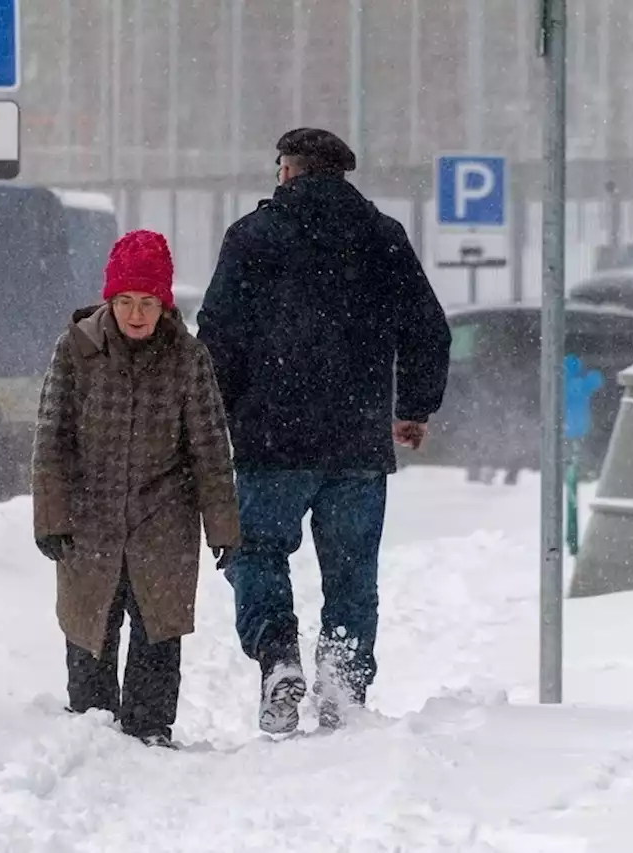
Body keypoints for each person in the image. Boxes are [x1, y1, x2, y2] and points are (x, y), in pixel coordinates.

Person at [197, 128, 452, 734]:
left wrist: (222, 415)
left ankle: (277, 657)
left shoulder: (252, 237)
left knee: (257, 552)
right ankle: (343, 673)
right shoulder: (382, 237)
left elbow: (218, 335)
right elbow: (428, 328)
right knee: (352, 570)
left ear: (288, 169)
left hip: (270, 440)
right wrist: (413, 407)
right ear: (341, 174)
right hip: (357, 443)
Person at [31, 229, 241, 749]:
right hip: (90, 517)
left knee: (156, 628)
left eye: (148, 302)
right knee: (90, 626)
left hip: (164, 519)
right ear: (110, 299)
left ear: (164, 304)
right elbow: (51, 440)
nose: (136, 313)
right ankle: (93, 725)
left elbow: (211, 451)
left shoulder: (189, 359)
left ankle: (149, 727)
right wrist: (51, 518)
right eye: (125, 301)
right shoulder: (75, 350)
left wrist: (223, 527)